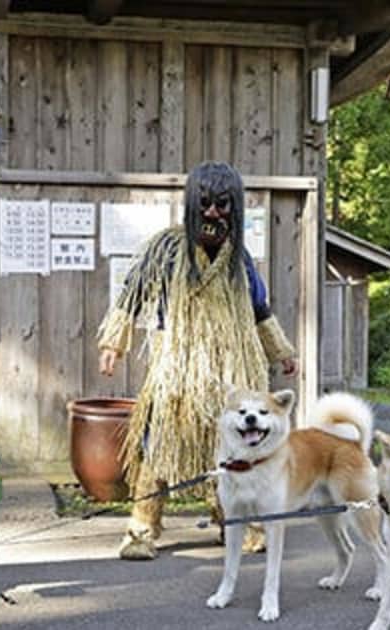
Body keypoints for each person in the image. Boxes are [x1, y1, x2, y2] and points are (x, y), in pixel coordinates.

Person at [97, 161, 298, 560]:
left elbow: (260, 309)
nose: (212, 214)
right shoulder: (165, 250)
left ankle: (236, 524)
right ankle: (142, 528)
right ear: (191, 203)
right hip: (176, 372)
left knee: (228, 449)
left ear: (235, 209)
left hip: (231, 373)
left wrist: (282, 351)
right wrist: (113, 344)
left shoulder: (240, 262)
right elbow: (131, 297)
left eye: (223, 205)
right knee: (157, 450)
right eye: (205, 204)